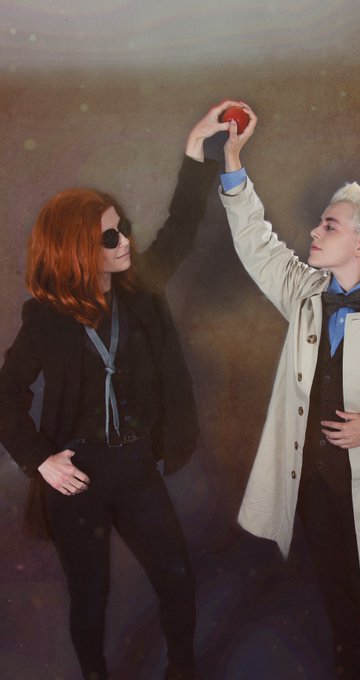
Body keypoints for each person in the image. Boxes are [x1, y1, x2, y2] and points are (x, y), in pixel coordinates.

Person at [0, 101, 239, 680]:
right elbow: (5, 394)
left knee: (177, 578)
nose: (124, 240)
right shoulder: (46, 318)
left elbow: (180, 227)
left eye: (123, 226)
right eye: (109, 236)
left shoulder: (141, 291)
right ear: (76, 249)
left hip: (134, 466)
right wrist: (40, 461)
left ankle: (182, 669)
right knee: (91, 595)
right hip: (77, 474)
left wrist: (195, 145)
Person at [217, 103, 360, 678]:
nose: (314, 232)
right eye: (320, 223)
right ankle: (354, 668)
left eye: (329, 226)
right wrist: (232, 162)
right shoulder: (304, 291)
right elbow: (258, 243)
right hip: (315, 481)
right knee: (336, 586)